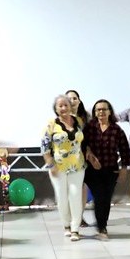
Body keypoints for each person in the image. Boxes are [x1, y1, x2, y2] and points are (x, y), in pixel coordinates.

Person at [83, 100, 130, 240]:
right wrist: (90, 156)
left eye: (104, 109)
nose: (101, 112)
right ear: (94, 112)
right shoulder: (89, 127)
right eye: (98, 110)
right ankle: (102, 227)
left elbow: (125, 150)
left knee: (106, 199)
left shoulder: (117, 130)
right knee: (99, 197)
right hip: (92, 170)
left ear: (110, 111)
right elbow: (82, 144)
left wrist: (124, 168)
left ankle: (102, 225)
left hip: (111, 170)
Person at [43, 95, 87, 241]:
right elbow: (44, 146)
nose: (63, 108)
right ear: (55, 109)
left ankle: (75, 228)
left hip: (77, 165)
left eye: (66, 105)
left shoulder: (78, 121)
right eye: (60, 106)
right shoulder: (51, 124)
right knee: (62, 197)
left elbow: (83, 141)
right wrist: (50, 162)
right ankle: (66, 225)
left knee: (75, 195)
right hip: (58, 167)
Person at [67, 89, 91, 228]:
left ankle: (79, 217)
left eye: (75, 98)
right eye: (69, 98)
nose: (72, 101)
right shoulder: (61, 118)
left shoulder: (86, 117)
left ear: (79, 100)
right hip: (66, 158)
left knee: (82, 186)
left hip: (82, 156)